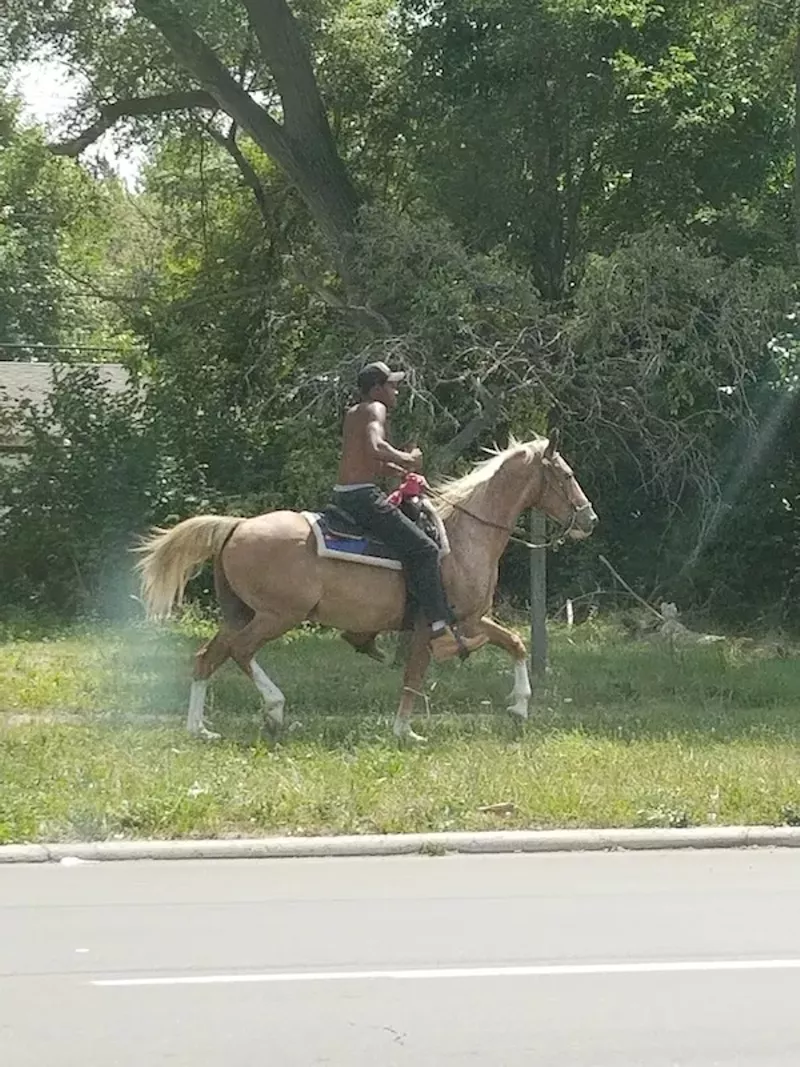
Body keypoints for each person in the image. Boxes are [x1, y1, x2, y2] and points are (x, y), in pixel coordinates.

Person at [334, 360, 487, 663]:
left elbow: (369, 459)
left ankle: (362, 632)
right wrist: (409, 458)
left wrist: (399, 471)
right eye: (392, 385)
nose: (397, 390)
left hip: (345, 495)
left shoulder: (353, 413)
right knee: (425, 550)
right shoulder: (375, 410)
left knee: (398, 551)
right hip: (364, 497)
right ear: (376, 389)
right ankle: (441, 633)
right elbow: (377, 446)